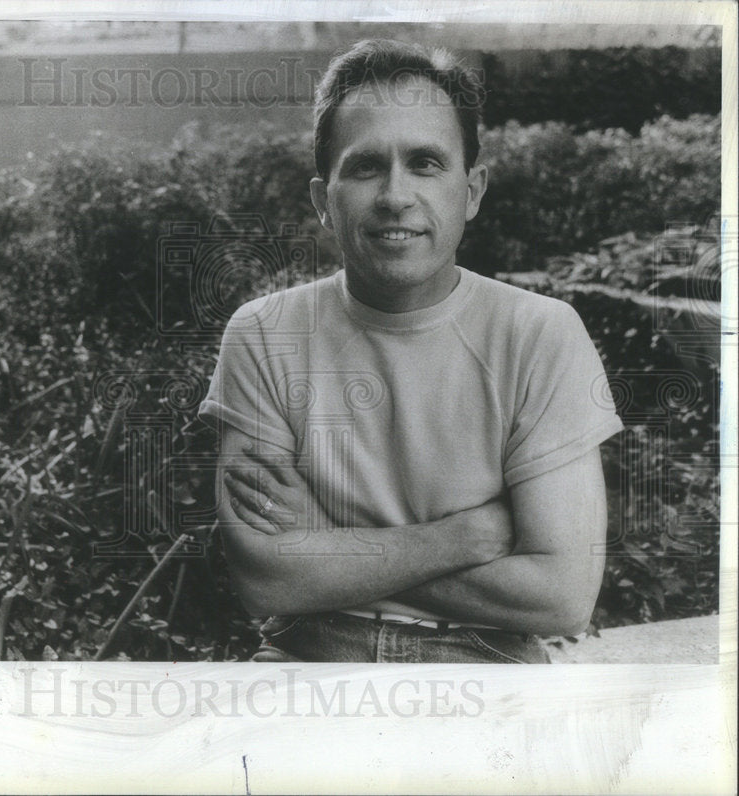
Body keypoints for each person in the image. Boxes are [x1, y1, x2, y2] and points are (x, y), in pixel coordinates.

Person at [197, 40, 624, 663]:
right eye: (366, 165)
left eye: (425, 163)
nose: (396, 195)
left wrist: (328, 544)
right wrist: (465, 536)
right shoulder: (264, 332)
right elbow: (268, 578)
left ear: (472, 190)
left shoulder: (540, 333)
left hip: (488, 663)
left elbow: (559, 596)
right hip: (309, 656)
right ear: (324, 200)